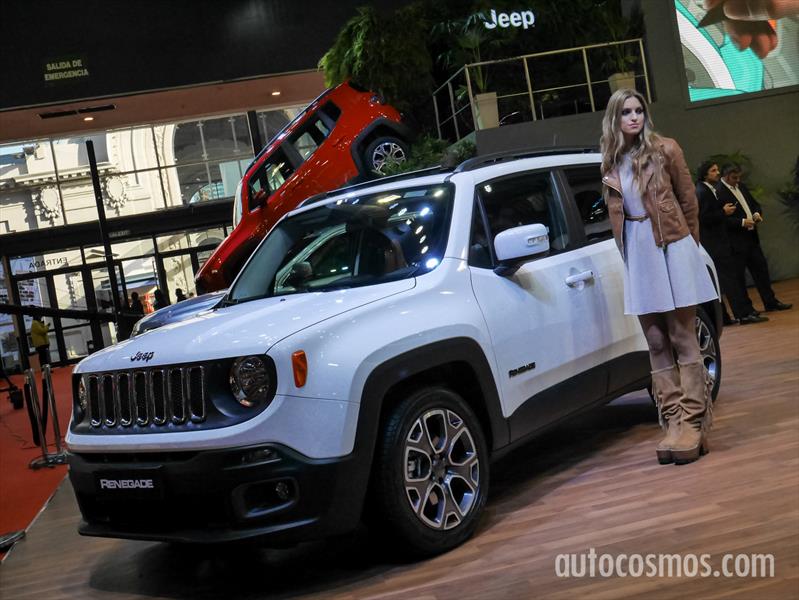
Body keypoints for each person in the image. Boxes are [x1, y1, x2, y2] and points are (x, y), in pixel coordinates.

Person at [600, 88, 718, 465]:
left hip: (672, 245)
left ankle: (695, 422)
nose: (633, 117)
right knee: (654, 339)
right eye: (625, 113)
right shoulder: (610, 161)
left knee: (683, 334)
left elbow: (689, 202)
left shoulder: (666, 148)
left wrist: (686, 248)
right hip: (638, 250)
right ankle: (672, 420)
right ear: (615, 119)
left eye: (638, 111)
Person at [696, 161, 767, 325]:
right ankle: (742, 314)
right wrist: (723, 212)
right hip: (716, 245)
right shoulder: (702, 190)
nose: (717, 172)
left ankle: (728, 318)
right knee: (731, 281)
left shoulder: (708, 189)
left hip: (718, 243)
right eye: (713, 170)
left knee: (725, 282)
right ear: (705, 174)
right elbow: (704, 218)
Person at [716, 163, 792, 313]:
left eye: (739, 177)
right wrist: (742, 222)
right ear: (725, 176)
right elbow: (720, 219)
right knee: (739, 277)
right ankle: (747, 308)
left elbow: (754, 204)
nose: (737, 180)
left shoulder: (741, 187)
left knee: (761, 271)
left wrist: (756, 214)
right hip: (736, 241)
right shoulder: (719, 192)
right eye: (734, 177)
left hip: (751, 237)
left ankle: (770, 302)